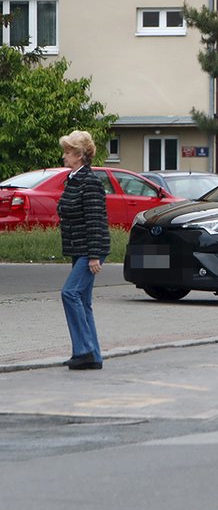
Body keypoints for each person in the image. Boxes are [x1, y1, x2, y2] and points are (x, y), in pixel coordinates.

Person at [57, 130, 111, 371]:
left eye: (68, 152)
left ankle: (84, 351)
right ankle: (94, 356)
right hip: (79, 249)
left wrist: (94, 255)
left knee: (69, 293)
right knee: (84, 301)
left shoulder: (89, 182)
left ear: (79, 156)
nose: (64, 157)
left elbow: (96, 221)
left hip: (89, 250)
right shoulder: (74, 180)